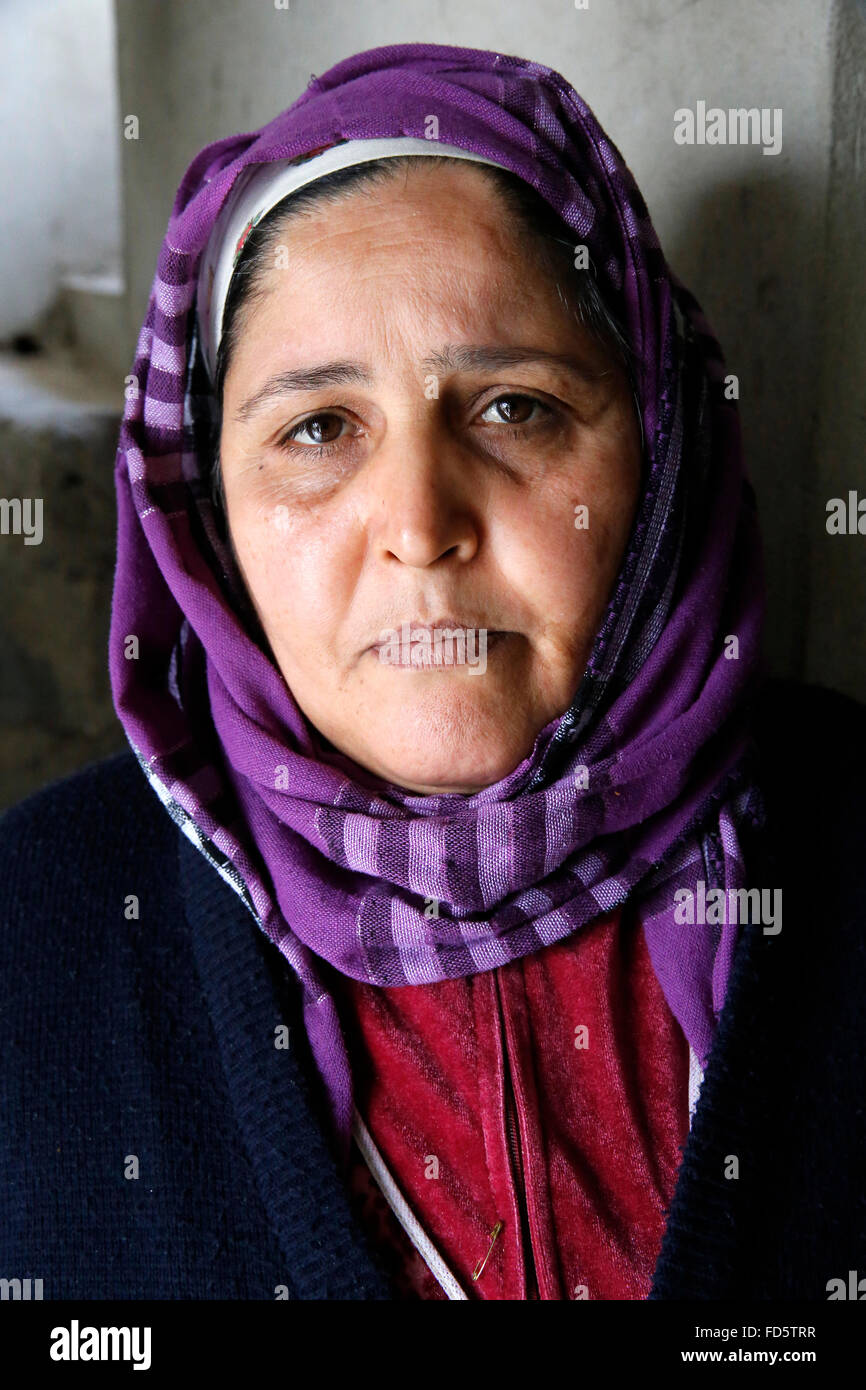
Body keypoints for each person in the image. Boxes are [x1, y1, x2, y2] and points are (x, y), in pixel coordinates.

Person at [1, 41, 864, 1303]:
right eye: (316, 429)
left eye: (513, 407)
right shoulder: (35, 941)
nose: (419, 521)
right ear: (206, 521)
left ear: (661, 450)